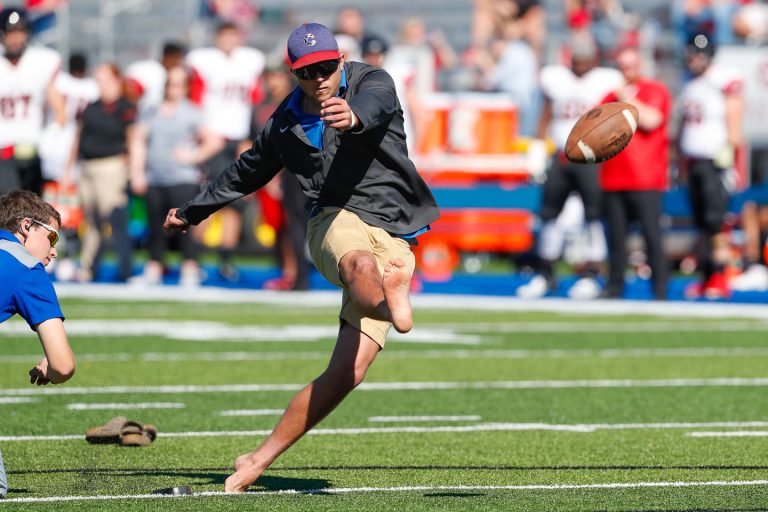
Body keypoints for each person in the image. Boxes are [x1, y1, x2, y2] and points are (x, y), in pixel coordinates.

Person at [164, 23, 439, 492]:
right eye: (307, 72)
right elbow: (245, 172)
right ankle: (391, 300)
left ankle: (255, 460)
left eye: (327, 67)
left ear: (341, 59)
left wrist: (350, 116)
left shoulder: (374, 82)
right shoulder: (285, 121)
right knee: (360, 267)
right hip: (334, 218)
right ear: (294, 73)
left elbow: (372, 108)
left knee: (347, 373)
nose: (319, 78)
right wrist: (193, 211)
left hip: (394, 226)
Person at [516, 33, 623, 299]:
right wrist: (537, 149)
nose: (580, 65)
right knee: (549, 214)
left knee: (594, 217)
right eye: (577, 59)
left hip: (593, 159)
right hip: (562, 157)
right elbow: (546, 114)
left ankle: (591, 274)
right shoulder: (556, 79)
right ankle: (546, 273)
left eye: (585, 60)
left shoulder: (607, 81)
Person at [0, 189, 77, 499]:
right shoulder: (27, 270)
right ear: (26, 226)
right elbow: (64, 365)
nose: (54, 250)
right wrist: (52, 371)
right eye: (53, 238)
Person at [129, 66, 224, 287]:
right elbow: (138, 141)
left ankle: (189, 268)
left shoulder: (192, 112)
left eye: (179, 84)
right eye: (171, 83)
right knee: (155, 226)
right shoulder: (151, 111)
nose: (174, 89)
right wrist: (137, 172)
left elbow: (214, 140)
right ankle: (154, 267)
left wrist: (193, 156)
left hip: (182, 178)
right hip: (155, 177)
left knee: (184, 226)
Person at [186, 21, 265, 282]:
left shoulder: (250, 60)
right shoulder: (205, 61)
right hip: (215, 139)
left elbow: (255, 98)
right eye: (225, 36)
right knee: (210, 199)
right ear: (217, 38)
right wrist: (203, 133)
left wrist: (250, 138)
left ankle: (226, 260)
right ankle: (193, 259)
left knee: (237, 204)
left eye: (233, 36)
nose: (229, 41)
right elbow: (195, 98)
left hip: (239, 139)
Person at [600, 45, 672, 300]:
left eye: (629, 65)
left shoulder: (653, 90)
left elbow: (651, 120)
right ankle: (614, 286)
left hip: (645, 178)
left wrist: (625, 98)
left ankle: (660, 288)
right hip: (613, 177)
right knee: (616, 239)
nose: (626, 71)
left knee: (652, 236)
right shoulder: (610, 95)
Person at [678, 33, 744, 299]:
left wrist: (731, 156)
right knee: (702, 224)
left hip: (715, 162)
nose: (693, 59)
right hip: (694, 162)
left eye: (698, 54)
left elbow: (734, 118)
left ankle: (720, 276)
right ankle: (706, 277)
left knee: (716, 224)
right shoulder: (691, 84)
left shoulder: (723, 80)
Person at [63, 63, 138, 283]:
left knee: (115, 218)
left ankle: (125, 268)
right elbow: (78, 138)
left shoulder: (125, 107)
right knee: (91, 221)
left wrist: (132, 167)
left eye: (105, 79)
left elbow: (133, 138)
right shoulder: (91, 107)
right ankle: (88, 267)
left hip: (111, 166)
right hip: (88, 167)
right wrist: (68, 169)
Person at [0, 6, 65, 195]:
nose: (16, 38)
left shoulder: (39, 62)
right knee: (9, 207)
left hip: (33, 150)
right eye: (11, 33)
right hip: (3, 151)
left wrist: (49, 137)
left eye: (20, 32)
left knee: (32, 208)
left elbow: (60, 111)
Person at [125, 41, 187, 111]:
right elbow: (154, 105)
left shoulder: (144, 66)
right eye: (178, 58)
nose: (179, 63)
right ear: (170, 57)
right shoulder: (159, 74)